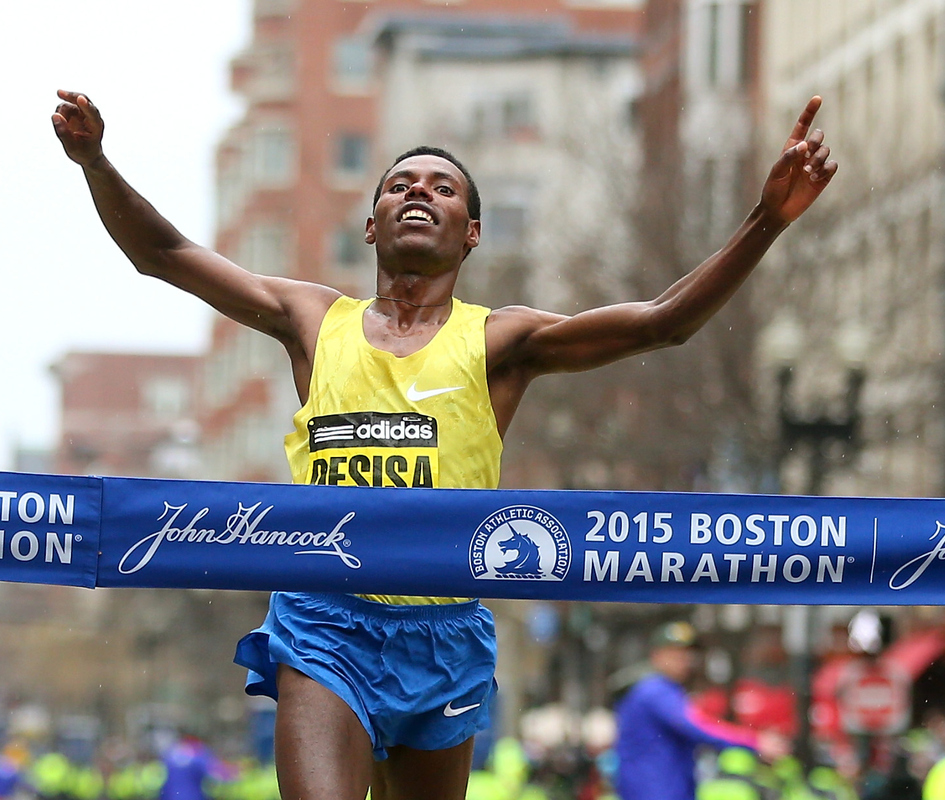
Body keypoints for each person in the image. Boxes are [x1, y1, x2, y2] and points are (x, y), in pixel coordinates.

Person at [52, 88, 836, 800]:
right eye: (398, 185)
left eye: (442, 187)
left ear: (472, 233)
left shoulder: (502, 341)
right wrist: (95, 163)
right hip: (325, 617)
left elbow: (665, 322)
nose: (418, 191)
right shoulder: (313, 321)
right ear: (371, 225)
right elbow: (165, 255)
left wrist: (764, 221)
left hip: (444, 630)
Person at [615, 622, 788, 800]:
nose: (684, 660)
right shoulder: (654, 691)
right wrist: (755, 741)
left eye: (687, 654)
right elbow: (697, 726)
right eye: (674, 653)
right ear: (656, 655)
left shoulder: (671, 690)